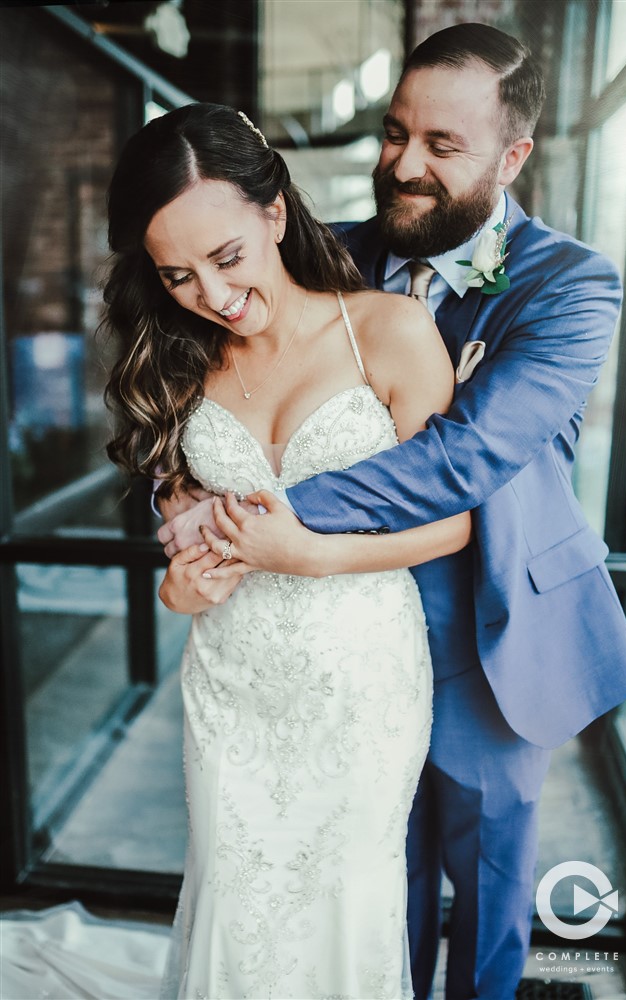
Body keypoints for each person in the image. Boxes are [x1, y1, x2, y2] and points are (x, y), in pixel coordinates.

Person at [158, 24, 626, 1000]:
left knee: (488, 892)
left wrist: (249, 515)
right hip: (331, 648)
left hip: (486, 631)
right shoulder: (320, 252)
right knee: (372, 888)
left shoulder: (566, 284)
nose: (400, 165)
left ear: (511, 157)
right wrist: (187, 494)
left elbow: (464, 456)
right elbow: (221, 383)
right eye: (391, 133)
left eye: (440, 145)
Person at [103, 102, 472, 1000]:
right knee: (235, 896)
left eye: (226, 258)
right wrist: (181, 597)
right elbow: (185, 552)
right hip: (230, 681)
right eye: (178, 276)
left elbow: (451, 525)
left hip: (360, 682)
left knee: (343, 900)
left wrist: (308, 555)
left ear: (273, 214)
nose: (213, 295)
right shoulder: (183, 361)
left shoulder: (389, 331)